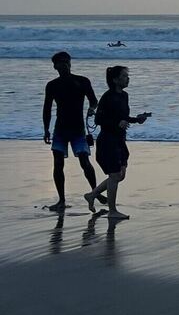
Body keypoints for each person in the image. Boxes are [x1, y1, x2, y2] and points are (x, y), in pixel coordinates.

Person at [84, 66, 150, 220]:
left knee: (120, 175)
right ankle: (112, 211)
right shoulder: (107, 96)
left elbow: (123, 118)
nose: (128, 78)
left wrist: (137, 119)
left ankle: (92, 195)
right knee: (114, 175)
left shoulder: (124, 96)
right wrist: (116, 123)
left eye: (127, 76)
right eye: (124, 76)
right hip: (107, 140)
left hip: (120, 140)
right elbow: (98, 119)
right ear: (115, 79)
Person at [43, 51, 103, 211]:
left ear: (70, 63)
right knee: (58, 164)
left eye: (66, 61)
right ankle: (61, 200)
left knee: (85, 162)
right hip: (60, 129)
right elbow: (47, 108)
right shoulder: (52, 85)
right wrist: (46, 129)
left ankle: (95, 192)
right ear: (55, 66)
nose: (64, 64)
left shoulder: (82, 81)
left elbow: (94, 101)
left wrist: (91, 109)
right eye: (60, 62)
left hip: (78, 129)